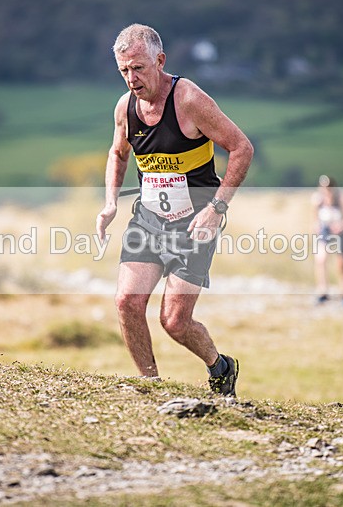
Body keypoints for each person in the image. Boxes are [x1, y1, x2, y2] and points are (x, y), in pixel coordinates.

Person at [95, 24, 253, 396]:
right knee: (127, 302)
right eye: (124, 71)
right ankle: (150, 387)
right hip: (148, 220)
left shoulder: (189, 100)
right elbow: (118, 153)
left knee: (175, 322)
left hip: (195, 224)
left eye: (138, 68)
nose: (131, 79)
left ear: (160, 61)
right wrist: (109, 204)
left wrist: (217, 207)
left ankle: (221, 366)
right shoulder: (126, 107)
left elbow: (242, 148)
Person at [312, 175, 343, 306]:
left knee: (341, 264)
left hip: (338, 231)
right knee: (321, 259)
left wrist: (341, 226)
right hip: (324, 230)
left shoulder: (339, 198)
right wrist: (316, 227)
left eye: (328, 187)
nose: (326, 190)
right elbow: (314, 219)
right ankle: (323, 292)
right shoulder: (317, 200)